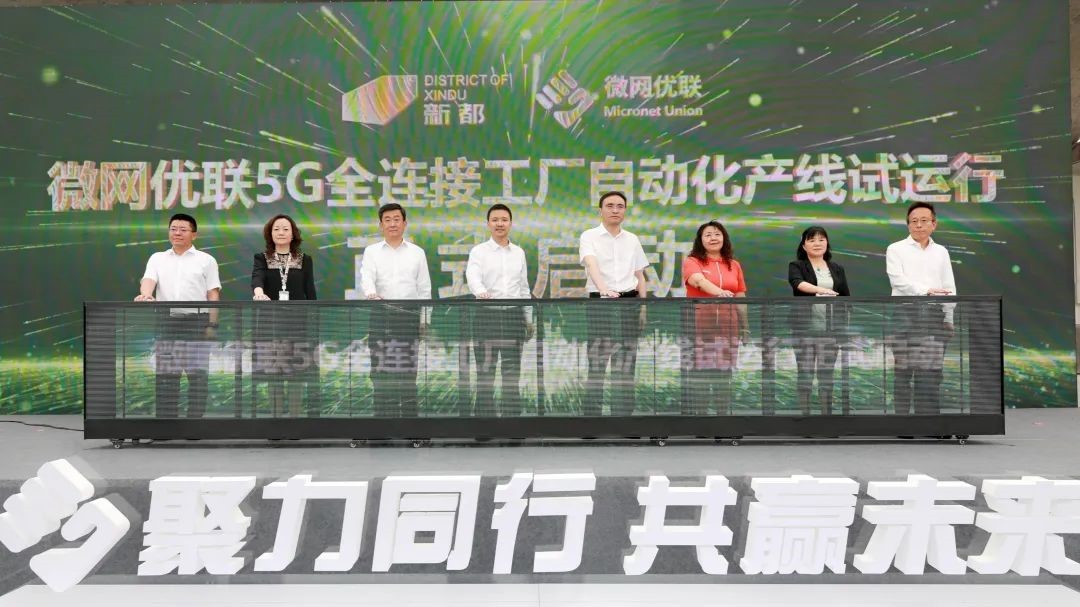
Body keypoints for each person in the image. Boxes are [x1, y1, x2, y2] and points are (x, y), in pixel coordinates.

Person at [134, 213, 221, 418]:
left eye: (183, 229)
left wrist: (212, 324)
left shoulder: (206, 260)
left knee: (197, 376)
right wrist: (146, 294)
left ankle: (194, 422)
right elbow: (148, 280)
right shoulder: (157, 258)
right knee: (166, 375)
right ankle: (167, 422)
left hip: (197, 322)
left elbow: (213, 293)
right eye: (173, 229)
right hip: (167, 322)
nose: (177, 233)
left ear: (194, 235)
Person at [579, 191, 649, 417]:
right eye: (610, 206)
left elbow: (640, 276)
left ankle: (624, 417)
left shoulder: (632, 239)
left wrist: (643, 307)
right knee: (597, 361)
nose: (615, 210)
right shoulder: (589, 236)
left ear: (625, 211)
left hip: (629, 303)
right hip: (600, 303)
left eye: (620, 206)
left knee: (626, 361)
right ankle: (592, 418)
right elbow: (591, 265)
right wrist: (604, 290)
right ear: (600, 210)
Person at [361, 203, 432, 418]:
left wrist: (425, 320)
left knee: (408, 371)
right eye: (387, 220)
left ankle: (410, 423)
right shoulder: (372, 251)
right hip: (381, 314)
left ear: (404, 223)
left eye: (396, 219)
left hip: (408, 316)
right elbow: (366, 277)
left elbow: (424, 288)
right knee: (380, 370)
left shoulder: (417, 253)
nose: (392, 224)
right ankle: (383, 422)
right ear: (380, 225)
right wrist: (371, 294)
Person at [885, 201, 956, 415]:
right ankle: (903, 422)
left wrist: (949, 318)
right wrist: (927, 291)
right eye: (914, 221)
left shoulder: (941, 251)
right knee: (904, 371)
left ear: (934, 224)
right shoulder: (895, 249)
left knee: (932, 371)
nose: (918, 225)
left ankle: (928, 421)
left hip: (934, 316)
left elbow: (949, 286)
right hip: (905, 313)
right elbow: (897, 281)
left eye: (924, 220)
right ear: (908, 225)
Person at [466, 203, 532, 417]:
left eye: (504, 220)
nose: (499, 224)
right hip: (487, 315)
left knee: (512, 372)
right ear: (488, 224)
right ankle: (484, 421)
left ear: (510, 224)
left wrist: (528, 318)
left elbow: (524, 287)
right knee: (485, 371)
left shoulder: (519, 252)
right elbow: (472, 277)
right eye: (495, 220)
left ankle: (512, 420)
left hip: (513, 316)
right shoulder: (479, 251)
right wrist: (481, 292)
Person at [251, 214, 317, 417]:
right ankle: (276, 420)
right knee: (274, 374)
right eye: (276, 229)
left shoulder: (304, 259)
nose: (281, 232)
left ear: (293, 234)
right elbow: (257, 278)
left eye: (285, 229)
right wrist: (259, 293)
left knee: (296, 374)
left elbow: (310, 291)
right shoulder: (262, 258)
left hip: (298, 325)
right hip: (271, 325)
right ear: (270, 234)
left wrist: (313, 323)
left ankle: (295, 419)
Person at [681, 221, 748, 415]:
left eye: (717, 234)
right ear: (700, 240)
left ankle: (722, 420)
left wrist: (745, 327)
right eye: (708, 235)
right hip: (700, 328)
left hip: (728, 328)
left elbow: (741, 297)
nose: (713, 238)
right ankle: (701, 421)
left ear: (724, 238)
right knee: (701, 375)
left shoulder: (734, 265)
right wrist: (720, 292)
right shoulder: (692, 261)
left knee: (724, 375)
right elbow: (698, 281)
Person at [788, 226, 850, 415]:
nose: (817, 243)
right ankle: (805, 416)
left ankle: (826, 415)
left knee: (826, 374)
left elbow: (846, 298)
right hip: (804, 331)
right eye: (812, 240)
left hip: (830, 331)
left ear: (827, 243)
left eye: (821, 239)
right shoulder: (797, 265)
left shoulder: (837, 268)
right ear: (804, 245)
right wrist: (821, 290)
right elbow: (798, 283)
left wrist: (844, 329)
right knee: (805, 373)